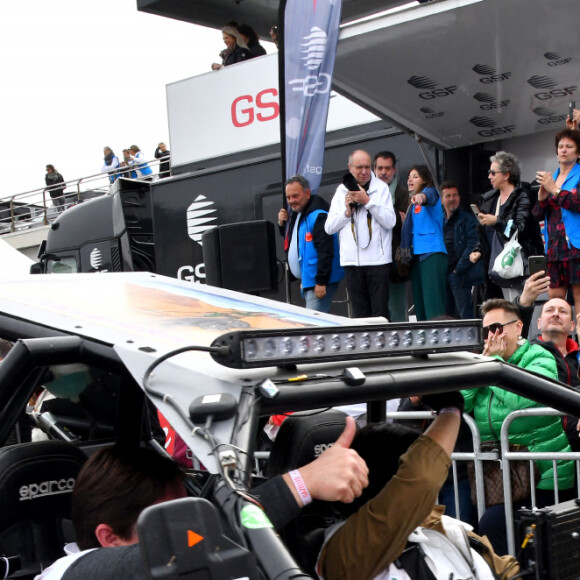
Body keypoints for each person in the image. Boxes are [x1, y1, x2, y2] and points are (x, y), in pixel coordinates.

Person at [35, 419, 368, 579]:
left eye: (189, 509)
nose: (191, 527)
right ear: (110, 539)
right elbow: (197, 542)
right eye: (173, 521)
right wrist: (300, 483)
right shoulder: (69, 574)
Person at [317, 394, 520, 580]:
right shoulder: (348, 551)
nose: (433, 488)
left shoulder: (445, 526)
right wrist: (451, 410)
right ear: (393, 486)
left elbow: (506, 570)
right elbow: (420, 478)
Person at [461, 298, 574, 555]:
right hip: (504, 478)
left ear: (519, 327)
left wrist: (494, 367)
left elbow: (522, 404)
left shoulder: (538, 356)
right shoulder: (485, 360)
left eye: (498, 327)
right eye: (488, 329)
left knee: (496, 527)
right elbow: (462, 402)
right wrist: (484, 364)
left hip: (544, 476)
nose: (493, 335)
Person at [325, 150, 396, 319]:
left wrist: (368, 202)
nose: (364, 171)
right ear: (350, 168)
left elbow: (390, 221)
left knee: (380, 314)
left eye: (367, 167)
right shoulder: (341, 191)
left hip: (378, 262)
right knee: (360, 315)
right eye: (359, 167)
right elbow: (329, 228)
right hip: (351, 263)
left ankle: (382, 345)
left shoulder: (381, 188)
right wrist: (346, 213)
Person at [469, 151, 543, 301]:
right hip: (496, 270)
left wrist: (497, 221)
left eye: (493, 172)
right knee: (503, 315)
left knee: (521, 313)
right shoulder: (491, 199)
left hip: (519, 268)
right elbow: (487, 233)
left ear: (506, 175)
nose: (489, 176)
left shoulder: (523, 196)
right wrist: (478, 249)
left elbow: (520, 230)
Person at [277, 175, 344, 313]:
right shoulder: (299, 214)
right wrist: (281, 224)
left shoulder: (318, 216)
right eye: (288, 197)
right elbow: (293, 241)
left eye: (295, 196)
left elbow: (326, 250)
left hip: (316, 282)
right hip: (309, 281)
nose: (291, 201)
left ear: (307, 193)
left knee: (313, 326)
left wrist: (321, 281)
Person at [532, 129, 580, 316]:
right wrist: (542, 198)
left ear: (578, 152)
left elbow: (577, 203)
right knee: (555, 305)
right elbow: (536, 215)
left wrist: (556, 190)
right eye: (560, 146)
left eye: (569, 146)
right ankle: (556, 344)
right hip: (554, 248)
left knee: (578, 299)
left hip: (576, 246)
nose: (564, 150)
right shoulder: (553, 176)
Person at [531, 298, 580, 450]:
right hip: (543, 444)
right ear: (538, 323)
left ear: (572, 326)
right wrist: (522, 303)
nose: (556, 314)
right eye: (549, 310)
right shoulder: (527, 353)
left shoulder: (578, 355)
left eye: (563, 311)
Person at [400, 165, 447, 321]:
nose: (410, 179)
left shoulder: (429, 192)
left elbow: (430, 197)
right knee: (420, 305)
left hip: (431, 253)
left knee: (433, 303)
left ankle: (439, 341)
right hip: (416, 256)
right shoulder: (412, 206)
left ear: (425, 180)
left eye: (415, 176)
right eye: (408, 176)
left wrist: (421, 198)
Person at [373, 151, 411, 322]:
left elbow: (402, 224)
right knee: (377, 311)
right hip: (373, 260)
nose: (383, 172)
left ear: (394, 170)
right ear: (374, 169)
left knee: (397, 308)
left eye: (387, 168)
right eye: (380, 168)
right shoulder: (368, 193)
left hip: (395, 261)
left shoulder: (402, 194)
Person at [440, 181, 483, 319]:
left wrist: (458, 269)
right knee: (446, 317)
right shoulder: (438, 220)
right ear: (441, 199)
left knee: (465, 316)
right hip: (442, 274)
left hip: (460, 275)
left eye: (455, 195)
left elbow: (472, 244)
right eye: (448, 196)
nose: (452, 199)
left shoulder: (468, 219)